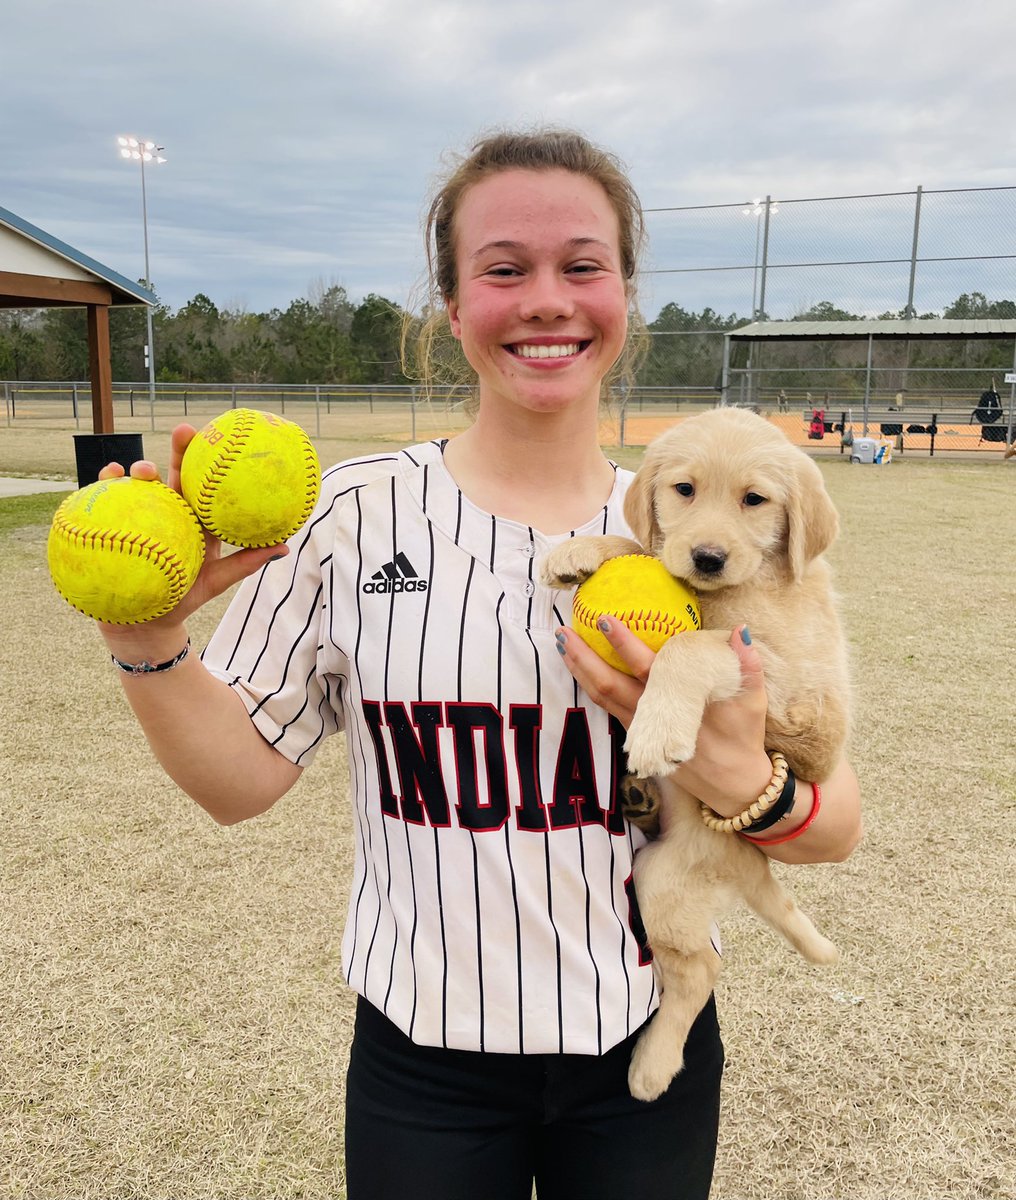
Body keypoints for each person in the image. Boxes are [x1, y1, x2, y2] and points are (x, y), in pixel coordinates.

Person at [95, 128, 862, 1200]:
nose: (546, 298)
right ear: (453, 309)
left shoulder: (696, 518)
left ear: (622, 301)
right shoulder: (347, 517)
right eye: (504, 270)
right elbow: (239, 784)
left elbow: (834, 826)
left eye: (580, 266)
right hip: (424, 1058)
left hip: (635, 1045)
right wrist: (147, 644)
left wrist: (738, 779)